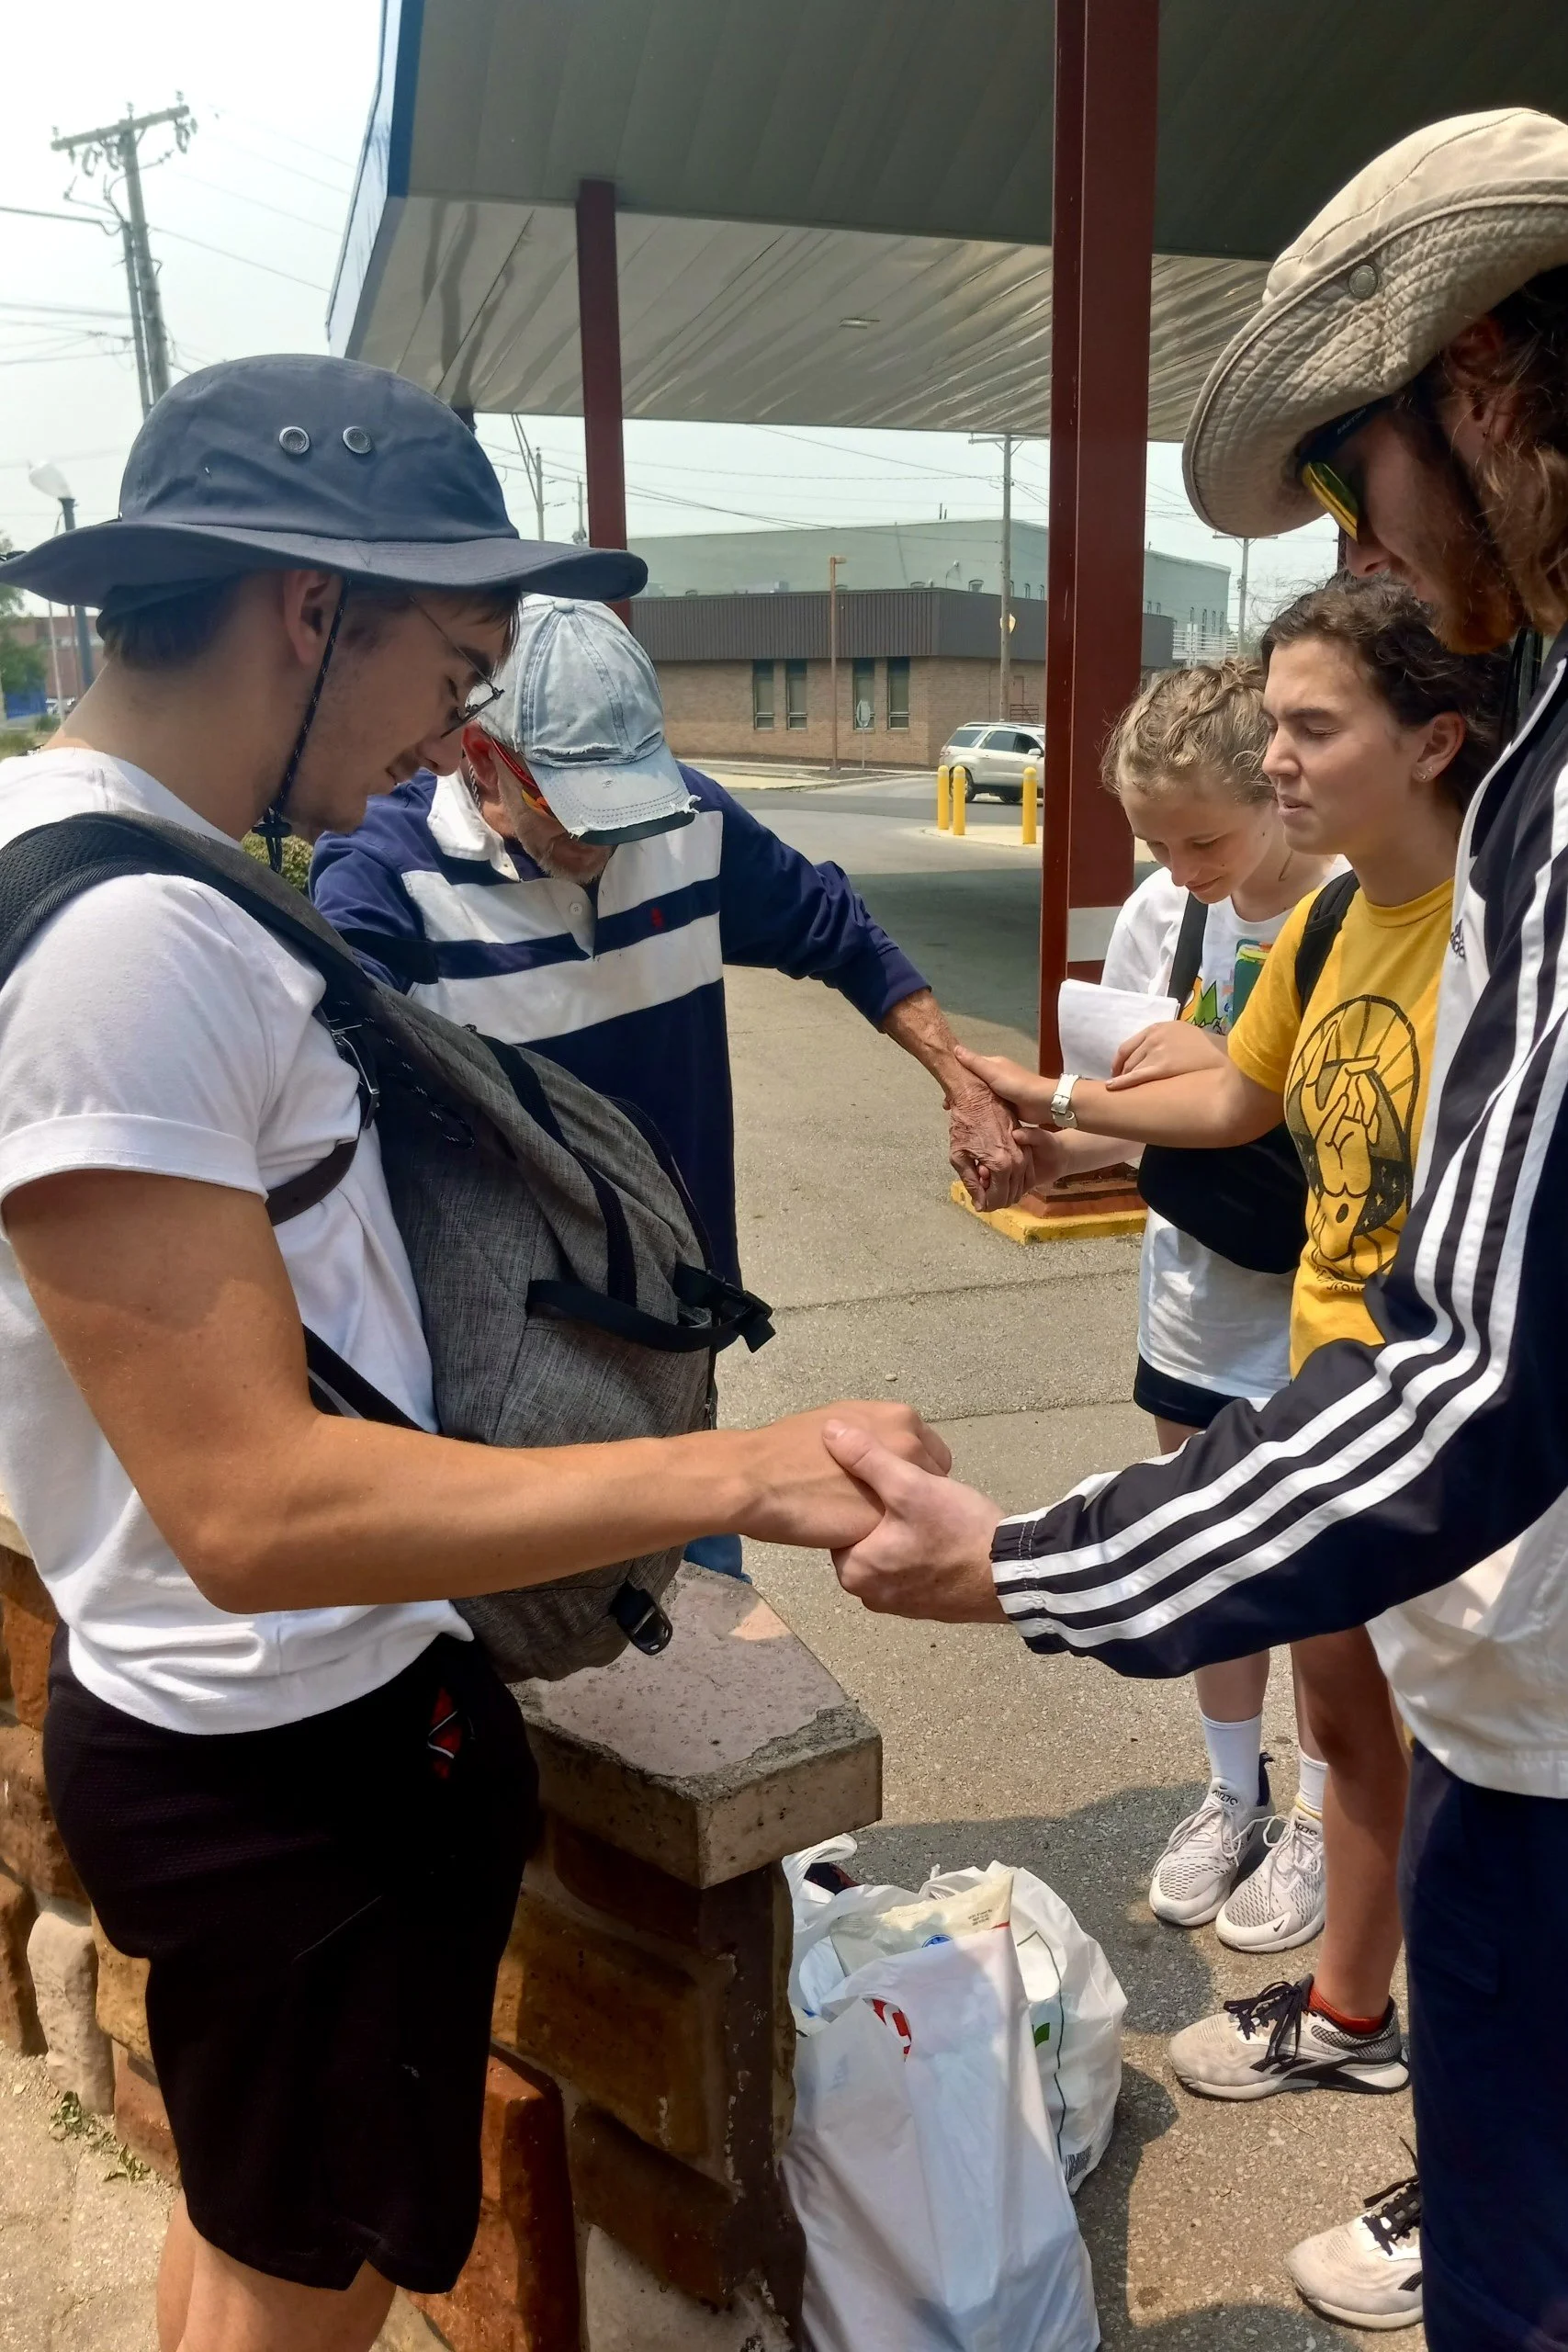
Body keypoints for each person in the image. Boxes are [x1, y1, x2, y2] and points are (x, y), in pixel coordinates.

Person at [0, 354, 945, 2352]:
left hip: (244, 1727)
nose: (454, 721)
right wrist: (734, 1467)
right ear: (303, 605)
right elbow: (254, 1502)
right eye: (449, 657)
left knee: (250, 2232)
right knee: (302, 2295)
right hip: (281, 1749)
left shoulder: (120, 868)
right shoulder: (126, 946)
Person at [816, 107, 1568, 2351]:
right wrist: (1077, 1133)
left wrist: (1037, 1558)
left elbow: (1478, 1358)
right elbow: (1249, 1104)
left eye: (1351, 476)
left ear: (1493, 382)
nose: (1357, 542)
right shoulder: (1477, 796)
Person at [972, 571, 1504, 2134]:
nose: (1273, 759)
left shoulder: (1500, 941)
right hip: (1325, 1391)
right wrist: (1054, 1101)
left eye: (1309, 727)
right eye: (1269, 723)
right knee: (1345, 1726)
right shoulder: (1336, 918)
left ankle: (1467, 2134)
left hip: (1443, 1417)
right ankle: (1351, 2015)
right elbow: (1232, 1102)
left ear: (1435, 740)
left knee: (1480, 1766)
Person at [310, 594, 1018, 1576]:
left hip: (678, 1334)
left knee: (700, 1623)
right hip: (509, 1362)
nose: (611, 841)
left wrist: (962, 1081)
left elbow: (836, 929)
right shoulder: (383, 880)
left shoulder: (687, 819)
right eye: (579, 812)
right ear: (484, 763)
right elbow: (317, 1109)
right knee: (545, 1647)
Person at [1046, 660, 1337, 1945]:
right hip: (1190, 1297)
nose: (1176, 864)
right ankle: (1230, 1791)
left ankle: (1329, 1810)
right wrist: (1041, 1137)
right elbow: (1117, 1112)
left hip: (1316, 1306)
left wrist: (1218, 1067)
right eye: (1153, 841)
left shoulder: (1348, 912)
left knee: (1331, 1575)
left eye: (1202, 836)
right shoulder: (1164, 910)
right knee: (1211, 1549)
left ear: (1276, 791)